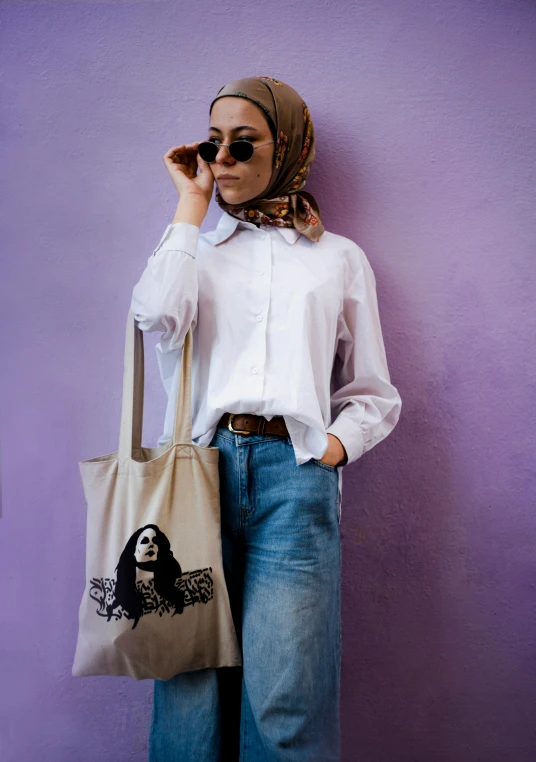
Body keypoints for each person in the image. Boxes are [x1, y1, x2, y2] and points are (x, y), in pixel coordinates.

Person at [131, 76, 402, 762]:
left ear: (284, 149)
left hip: (295, 479)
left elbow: (374, 391)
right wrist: (189, 208)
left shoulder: (338, 259)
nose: (222, 157)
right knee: (186, 684)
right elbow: (154, 316)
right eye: (212, 141)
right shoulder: (194, 251)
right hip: (197, 474)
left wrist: (332, 449)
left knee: (289, 693)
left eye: (241, 143)